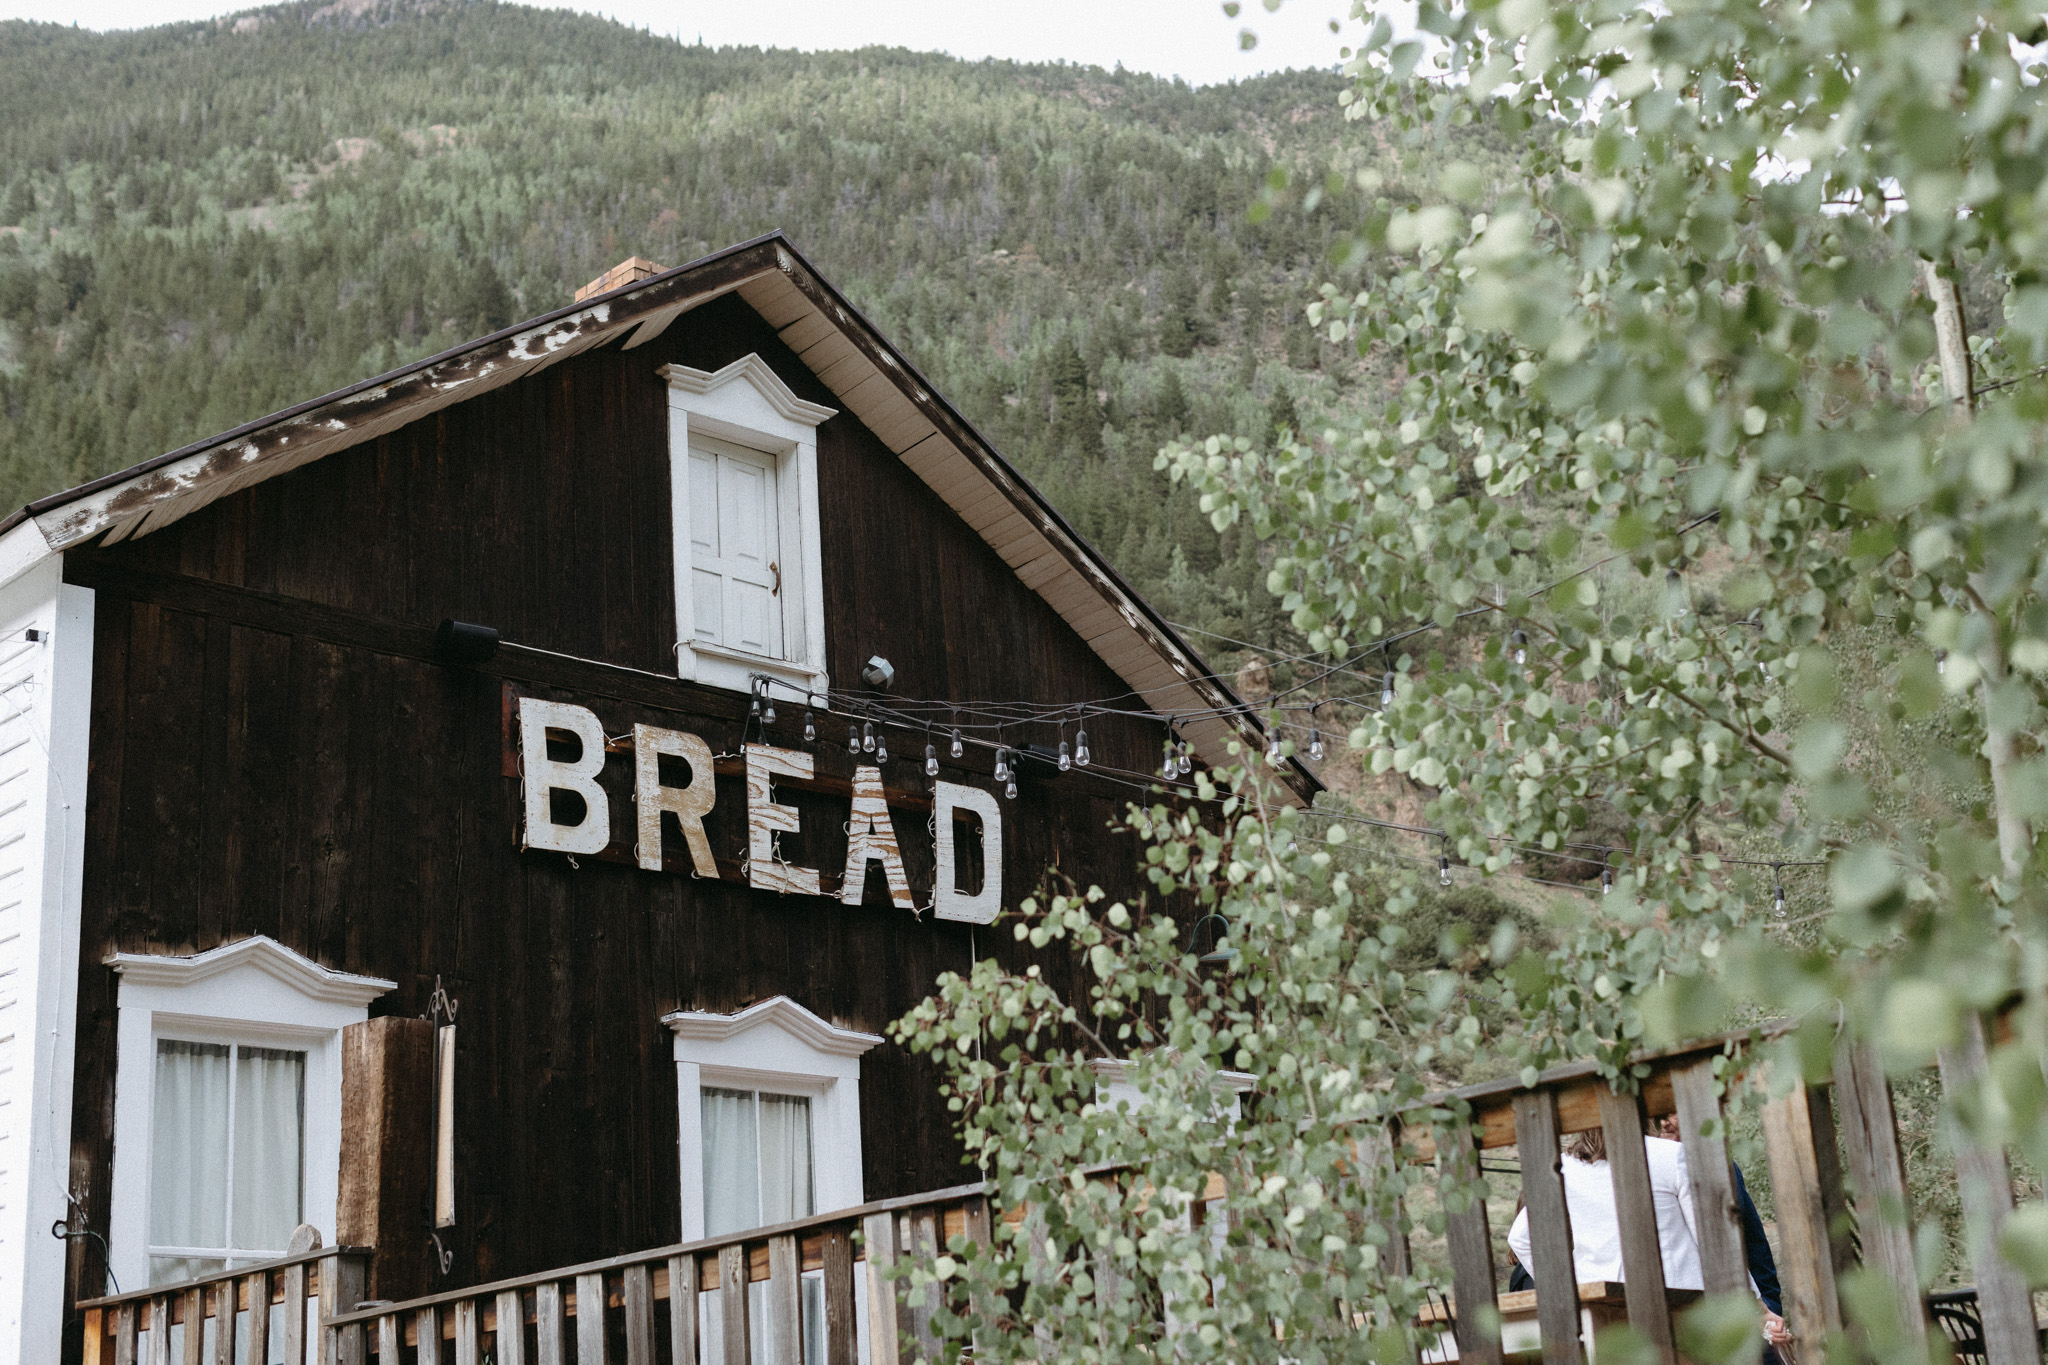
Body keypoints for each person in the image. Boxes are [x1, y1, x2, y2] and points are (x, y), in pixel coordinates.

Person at [1505, 1126, 1792, 1353]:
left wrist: (1573, 1286)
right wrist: (1758, 1309)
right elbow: (1712, 1243)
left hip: (1606, 1320)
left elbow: (1520, 1238)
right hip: (1680, 1315)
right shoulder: (1670, 1155)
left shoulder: (1565, 1169)